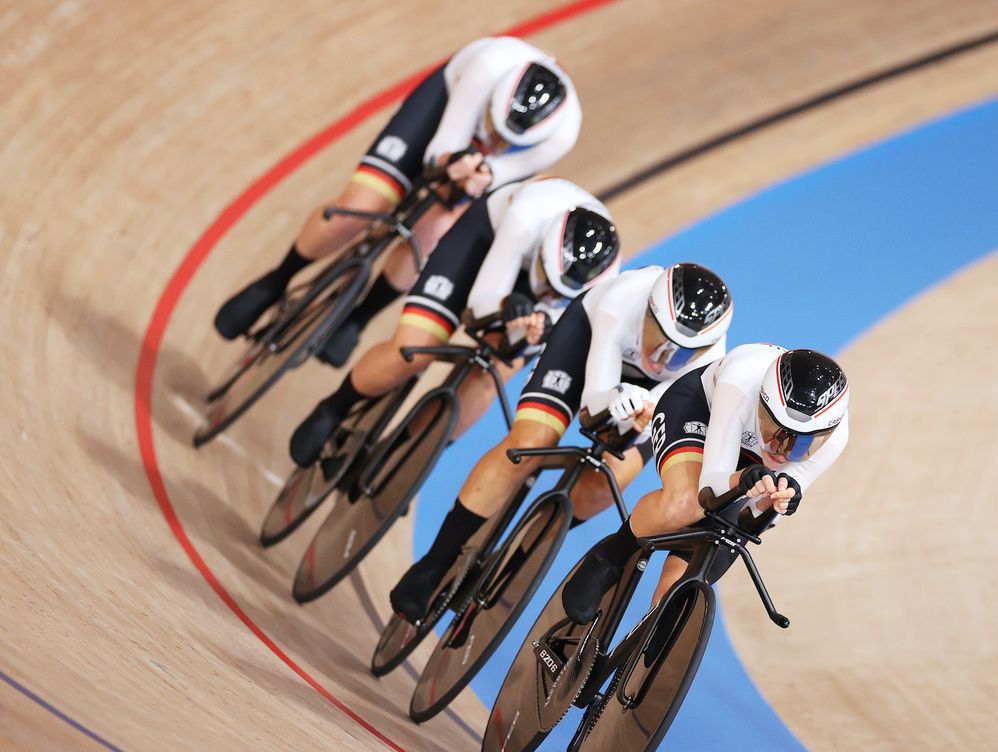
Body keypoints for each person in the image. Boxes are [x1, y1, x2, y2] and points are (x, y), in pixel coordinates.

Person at [385, 263, 735, 624]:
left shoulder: (710, 358)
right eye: (657, 338)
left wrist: (639, 415)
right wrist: (615, 399)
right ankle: (435, 562)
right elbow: (593, 406)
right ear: (648, 310)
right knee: (530, 441)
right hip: (586, 346)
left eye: (677, 353)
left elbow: (664, 415)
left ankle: (513, 563)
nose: (659, 356)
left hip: (657, 393)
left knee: (610, 478)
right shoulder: (622, 298)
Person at [213, 37, 582, 367]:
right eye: (495, 130)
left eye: (507, 141)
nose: (495, 142)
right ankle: (276, 280)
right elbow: (442, 147)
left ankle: (358, 318)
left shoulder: (560, 136)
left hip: (496, 164)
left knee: (437, 227)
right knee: (360, 206)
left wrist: (480, 174)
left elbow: (495, 176)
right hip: (447, 106)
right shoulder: (485, 69)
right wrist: (450, 163)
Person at [287, 175, 618, 468]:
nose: (546, 286)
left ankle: (405, 455)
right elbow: (479, 304)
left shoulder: (603, 281)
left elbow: (561, 324)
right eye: (546, 277)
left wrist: (538, 326)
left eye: (555, 286)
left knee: (490, 375)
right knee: (413, 349)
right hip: (486, 245)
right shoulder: (527, 218)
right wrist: (506, 303)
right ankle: (333, 408)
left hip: (544, 298)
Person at [559, 344, 850, 623]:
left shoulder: (834, 442)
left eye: (798, 445)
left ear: (824, 435)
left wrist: (772, 503)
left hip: (748, 464)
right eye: (773, 427)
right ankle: (610, 555)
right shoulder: (741, 380)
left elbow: (751, 523)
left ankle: (640, 648)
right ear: (762, 400)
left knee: (700, 567)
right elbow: (709, 488)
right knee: (684, 504)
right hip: (701, 412)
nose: (778, 448)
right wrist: (740, 479)